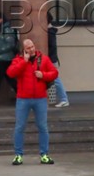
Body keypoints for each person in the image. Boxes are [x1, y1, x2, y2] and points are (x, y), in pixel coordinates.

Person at [5, 35, 59, 165]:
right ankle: (18, 155)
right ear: (24, 50)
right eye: (28, 48)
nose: (31, 49)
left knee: (43, 127)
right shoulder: (18, 60)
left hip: (40, 98)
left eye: (32, 47)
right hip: (23, 99)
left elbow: (54, 73)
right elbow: (10, 73)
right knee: (19, 127)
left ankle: (44, 154)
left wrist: (43, 75)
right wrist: (24, 61)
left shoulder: (43, 59)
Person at [43, 15, 70, 109]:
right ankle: (63, 99)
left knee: (55, 80)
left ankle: (64, 99)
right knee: (54, 79)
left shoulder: (50, 32)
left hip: (50, 60)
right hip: (52, 59)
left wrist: (48, 59)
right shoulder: (50, 31)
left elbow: (52, 47)